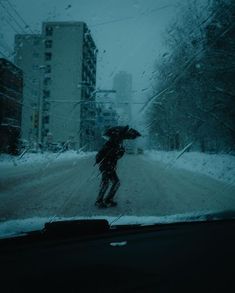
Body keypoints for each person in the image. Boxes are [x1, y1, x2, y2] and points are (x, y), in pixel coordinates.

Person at [95, 137, 125, 208]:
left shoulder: (116, 146)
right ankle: (99, 201)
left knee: (116, 183)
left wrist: (121, 152)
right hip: (105, 166)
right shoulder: (108, 145)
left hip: (110, 167)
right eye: (120, 140)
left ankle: (108, 199)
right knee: (105, 183)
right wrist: (115, 152)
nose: (121, 141)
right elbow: (103, 156)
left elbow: (117, 157)